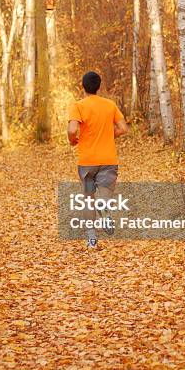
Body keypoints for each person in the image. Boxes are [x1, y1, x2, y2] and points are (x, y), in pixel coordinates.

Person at [67, 71, 128, 249]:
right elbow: (123, 128)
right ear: (99, 86)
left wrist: (73, 141)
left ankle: (92, 239)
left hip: (87, 161)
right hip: (108, 158)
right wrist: (109, 136)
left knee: (88, 198)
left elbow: (72, 130)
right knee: (105, 193)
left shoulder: (78, 106)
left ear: (83, 86)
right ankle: (105, 209)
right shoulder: (110, 105)